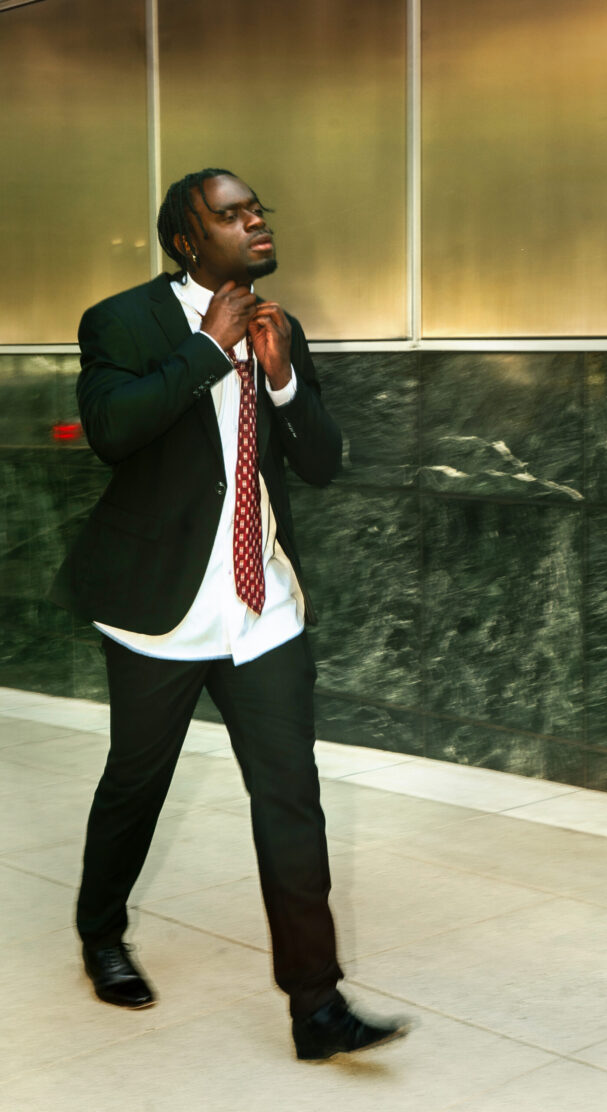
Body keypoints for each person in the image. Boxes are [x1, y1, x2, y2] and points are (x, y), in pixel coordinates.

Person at [51, 167, 407, 1061]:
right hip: (159, 610)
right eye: (232, 214)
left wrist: (283, 381)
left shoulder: (277, 324)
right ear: (186, 240)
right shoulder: (121, 322)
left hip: (264, 610)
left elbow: (322, 462)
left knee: (291, 800)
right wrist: (207, 351)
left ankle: (315, 1005)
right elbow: (112, 431)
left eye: (257, 211)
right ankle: (100, 930)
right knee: (137, 783)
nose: (254, 223)